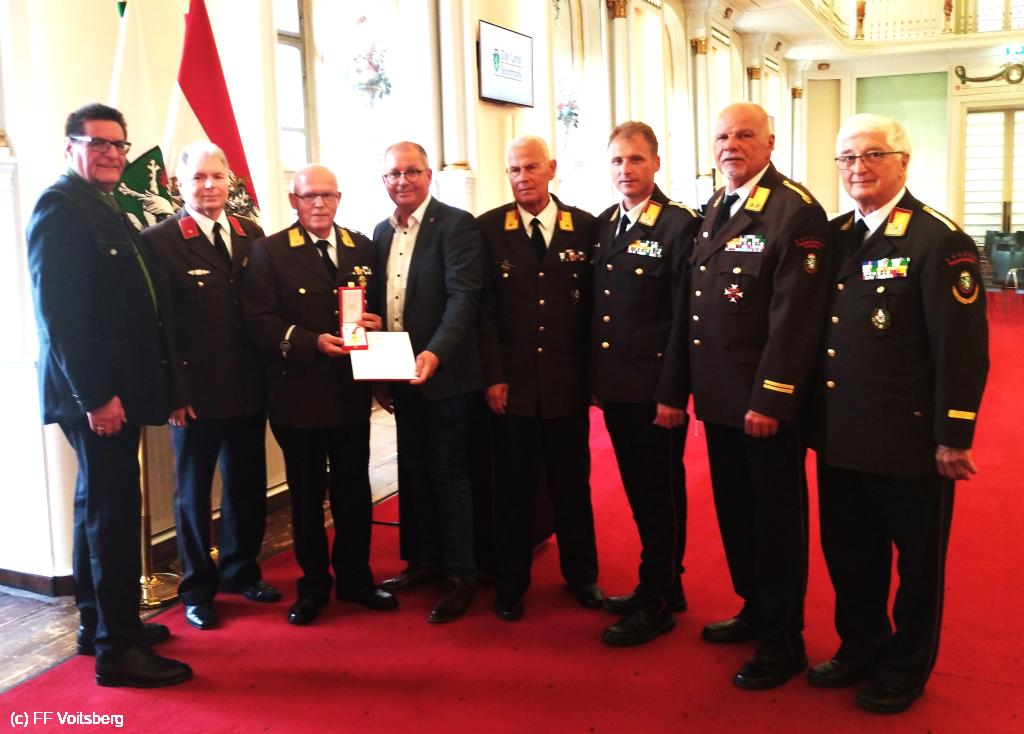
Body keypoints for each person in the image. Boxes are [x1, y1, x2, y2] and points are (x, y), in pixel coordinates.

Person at [807, 113, 988, 714]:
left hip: (908, 441)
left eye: (873, 155)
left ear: (903, 162)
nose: (858, 167)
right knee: (850, 554)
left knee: (917, 566)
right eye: (847, 157)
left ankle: (905, 668)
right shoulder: (833, 236)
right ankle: (860, 647)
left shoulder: (939, 241)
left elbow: (962, 350)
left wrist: (953, 434)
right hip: (841, 434)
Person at [26, 103, 191, 687]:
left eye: (119, 144)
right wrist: (96, 396)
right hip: (96, 397)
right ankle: (117, 651)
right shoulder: (61, 207)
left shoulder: (104, 205)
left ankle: (98, 623)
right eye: (98, 143)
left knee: (96, 506)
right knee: (112, 515)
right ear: (70, 146)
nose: (112, 154)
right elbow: (63, 317)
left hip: (117, 391)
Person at [689, 102, 829, 690]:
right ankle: (755, 607)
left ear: (770, 142)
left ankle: (783, 638)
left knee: (775, 522)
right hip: (720, 398)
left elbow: (796, 318)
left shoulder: (795, 211)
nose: (731, 145)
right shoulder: (716, 206)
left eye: (744, 135)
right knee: (737, 512)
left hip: (763, 404)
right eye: (722, 136)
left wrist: (771, 399)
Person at [242, 164, 396, 626]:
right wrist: (312, 343)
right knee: (307, 497)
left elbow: (378, 305)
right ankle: (312, 586)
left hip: (350, 393)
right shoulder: (269, 252)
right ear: (294, 201)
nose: (319, 203)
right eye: (310, 196)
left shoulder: (360, 247)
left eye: (328, 195)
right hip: (298, 395)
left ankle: (356, 579)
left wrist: (375, 324)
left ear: (339, 199)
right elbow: (259, 322)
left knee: (354, 491)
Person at [142, 142, 280, 632]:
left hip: (247, 386)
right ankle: (197, 589)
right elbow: (160, 326)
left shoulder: (250, 234)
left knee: (246, 485)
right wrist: (173, 394)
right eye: (198, 177)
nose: (209, 186)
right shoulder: (159, 241)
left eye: (217, 177)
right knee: (193, 494)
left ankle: (241, 571)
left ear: (229, 182)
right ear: (178, 185)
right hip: (195, 395)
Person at [478, 135, 603, 621]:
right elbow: (485, 313)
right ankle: (510, 582)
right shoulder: (489, 229)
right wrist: (494, 375)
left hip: (566, 384)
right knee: (513, 489)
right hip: (512, 387)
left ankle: (582, 575)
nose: (523, 178)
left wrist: (592, 378)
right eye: (514, 170)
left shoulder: (585, 227)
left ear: (551, 168)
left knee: (572, 485)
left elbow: (595, 311)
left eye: (531, 167)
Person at [591, 121, 699, 646]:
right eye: (617, 160)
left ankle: (656, 601)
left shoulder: (679, 226)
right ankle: (663, 585)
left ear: (656, 163)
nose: (626, 169)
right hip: (617, 387)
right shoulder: (605, 224)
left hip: (656, 391)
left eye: (635, 159)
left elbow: (684, 319)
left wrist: (673, 393)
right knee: (639, 491)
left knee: (660, 495)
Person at [373, 142, 484, 623]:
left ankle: (461, 575)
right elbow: (380, 304)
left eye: (412, 171)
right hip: (400, 376)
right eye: (394, 173)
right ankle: (423, 561)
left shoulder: (456, 225)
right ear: (384, 180)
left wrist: (435, 353)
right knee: (413, 471)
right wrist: (379, 372)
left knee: (448, 474)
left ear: (429, 175)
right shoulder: (380, 231)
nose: (403, 181)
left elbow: (463, 298)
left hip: (446, 376)